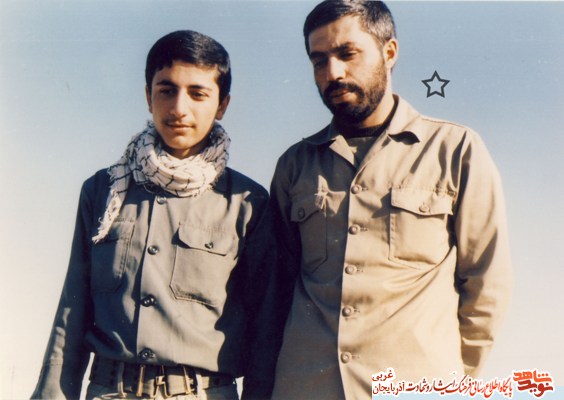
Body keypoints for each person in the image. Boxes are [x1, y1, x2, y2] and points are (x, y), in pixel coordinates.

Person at [269, 1, 512, 399]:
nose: (333, 73)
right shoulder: (294, 165)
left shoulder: (455, 150)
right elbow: (277, 290)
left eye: (347, 53)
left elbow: (487, 284)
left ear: (390, 51)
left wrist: (448, 379)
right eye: (319, 60)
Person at [32, 30, 277, 400]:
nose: (179, 107)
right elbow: (73, 309)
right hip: (108, 390)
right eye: (166, 90)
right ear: (148, 96)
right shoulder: (102, 191)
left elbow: (266, 330)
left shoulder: (247, 203)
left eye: (197, 93)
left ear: (222, 105)